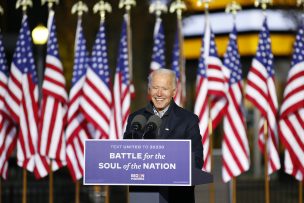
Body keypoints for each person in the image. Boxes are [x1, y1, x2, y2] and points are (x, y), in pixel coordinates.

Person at [124, 69, 204, 203]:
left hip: (177, 196)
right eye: (155, 88)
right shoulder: (136, 119)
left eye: (164, 89)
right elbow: (125, 157)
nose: (159, 93)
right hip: (144, 196)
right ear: (149, 90)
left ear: (174, 91)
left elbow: (197, 160)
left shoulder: (188, 120)